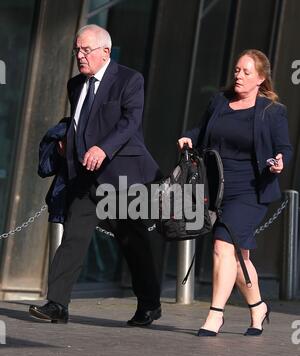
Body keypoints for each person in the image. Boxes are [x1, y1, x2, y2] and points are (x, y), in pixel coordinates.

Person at [29, 24, 162, 326]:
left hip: (121, 178)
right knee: (73, 238)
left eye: (85, 50)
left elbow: (130, 123)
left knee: (133, 241)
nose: (79, 55)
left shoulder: (129, 80)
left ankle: (150, 303)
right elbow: (80, 123)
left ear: (105, 51)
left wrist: (103, 148)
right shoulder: (75, 85)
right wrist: (66, 147)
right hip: (84, 178)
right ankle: (57, 304)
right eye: (76, 49)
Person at [178, 49, 292, 336]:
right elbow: (202, 130)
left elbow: (284, 147)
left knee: (222, 246)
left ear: (261, 78)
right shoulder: (220, 101)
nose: (239, 76)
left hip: (252, 189)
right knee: (240, 258)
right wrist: (188, 137)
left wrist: (279, 162)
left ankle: (215, 314)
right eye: (237, 71)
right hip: (217, 188)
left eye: (246, 72)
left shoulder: (272, 111)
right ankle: (258, 307)